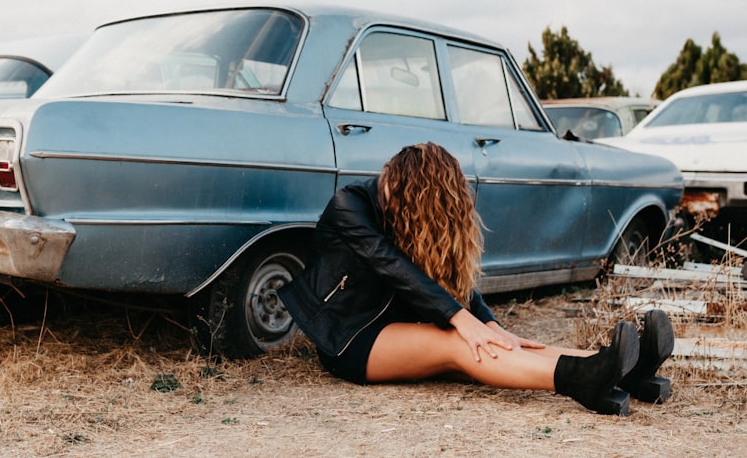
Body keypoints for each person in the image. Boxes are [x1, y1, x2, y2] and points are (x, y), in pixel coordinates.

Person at [278, 142, 674, 416]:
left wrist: (492, 326)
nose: (385, 188)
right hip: (351, 338)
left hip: (402, 327)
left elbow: (458, 288)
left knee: (497, 343)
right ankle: (581, 380)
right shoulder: (350, 205)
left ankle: (628, 370)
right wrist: (463, 321)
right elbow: (393, 267)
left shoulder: (407, 211)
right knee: (460, 344)